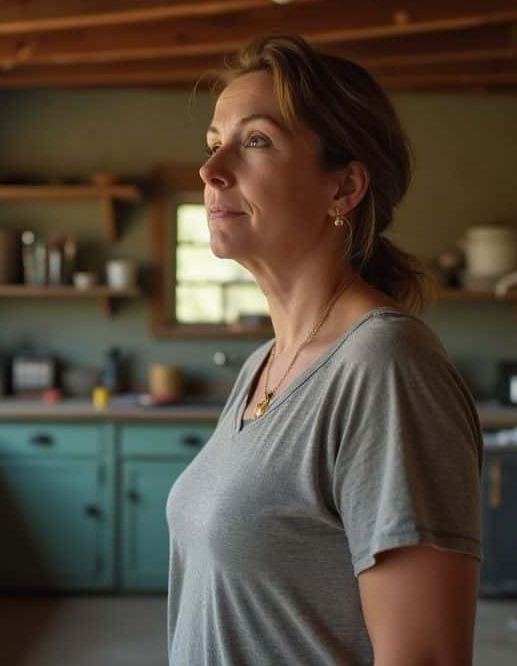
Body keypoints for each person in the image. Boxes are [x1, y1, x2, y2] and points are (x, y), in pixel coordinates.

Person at [165, 34, 483, 665]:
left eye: (254, 141)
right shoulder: (264, 364)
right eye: (212, 145)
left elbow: (424, 659)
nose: (210, 170)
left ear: (345, 189)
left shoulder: (386, 367)